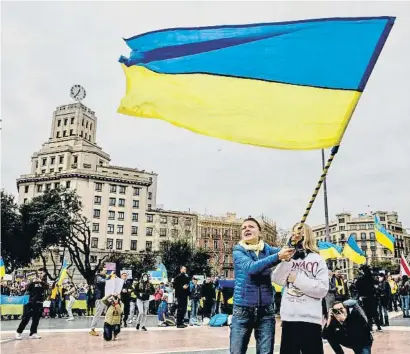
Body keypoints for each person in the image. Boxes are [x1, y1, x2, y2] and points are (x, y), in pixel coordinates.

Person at [230, 217, 294, 354]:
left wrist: (293, 240)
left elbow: (287, 251)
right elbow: (251, 268)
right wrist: (277, 256)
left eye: (251, 226)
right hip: (242, 310)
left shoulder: (267, 249)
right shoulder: (238, 251)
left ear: (260, 232)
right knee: (237, 352)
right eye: (244, 227)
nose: (247, 229)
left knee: (266, 352)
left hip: (266, 311)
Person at [272, 223, 329, 354]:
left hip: (310, 319)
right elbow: (277, 279)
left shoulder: (318, 259)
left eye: (299, 232)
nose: (295, 235)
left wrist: (296, 279)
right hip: (289, 319)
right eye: (293, 232)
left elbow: (322, 289)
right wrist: (286, 259)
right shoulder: (289, 258)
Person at [15, 268, 48, 340]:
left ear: (44, 273)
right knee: (26, 318)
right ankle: (18, 332)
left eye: (41, 273)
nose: (39, 274)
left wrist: (41, 281)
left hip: (40, 303)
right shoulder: (33, 281)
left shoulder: (44, 282)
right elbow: (27, 289)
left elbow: (47, 287)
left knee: (36, 319)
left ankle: (33, 333)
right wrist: (31, 282)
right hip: (31, 303)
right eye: (38, 273)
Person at [355, 265, 382, 331]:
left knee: (368, 313)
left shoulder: (361, 279)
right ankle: (378, 326)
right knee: (375, 312)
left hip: (365, 298)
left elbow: (357, 286)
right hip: (373, 297)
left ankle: (370, 327)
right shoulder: (371, 278)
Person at [89, 267, 111, 336]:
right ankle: (92, 329)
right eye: (105, 270)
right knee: (98, 314)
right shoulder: (98, 277)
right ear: (100, 271)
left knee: (107, 312)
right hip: (99, 298)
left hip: (104, 298)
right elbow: (103, 281)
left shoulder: (103, 277)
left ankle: (108, 328)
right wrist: (110, 276)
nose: (106, 272)